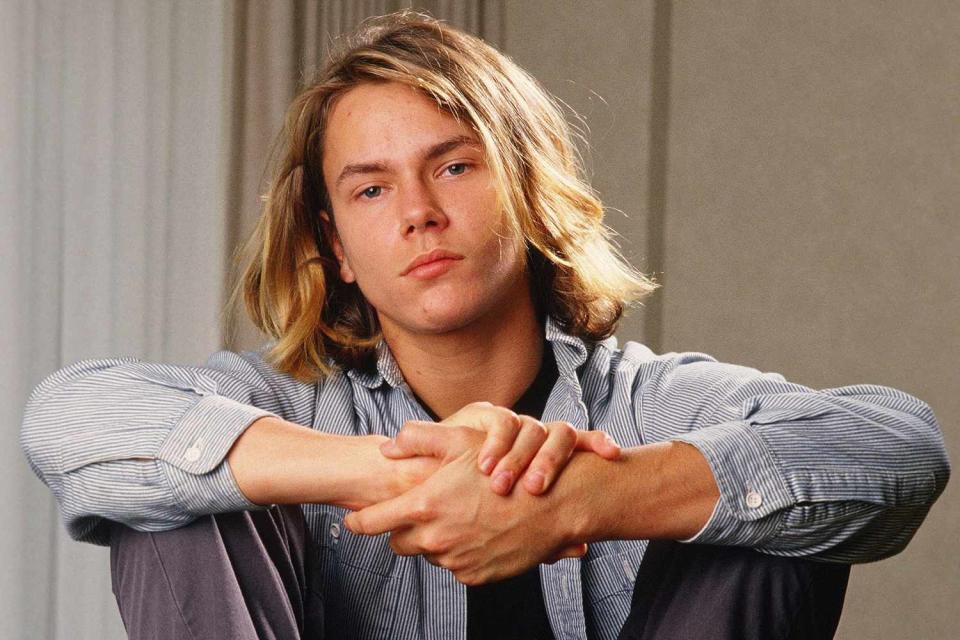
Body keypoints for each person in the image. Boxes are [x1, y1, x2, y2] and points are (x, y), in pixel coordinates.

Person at [20, 10, 949, 640]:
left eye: (455, 167)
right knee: (181, 501)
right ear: (338, 245)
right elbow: (69, 418)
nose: (417, 211)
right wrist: (412, 475)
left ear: (526, 188)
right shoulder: (293, 409)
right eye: (371, 188)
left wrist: (578, 500)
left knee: (767, 521)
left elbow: (899, 446)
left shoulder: (644, 406)